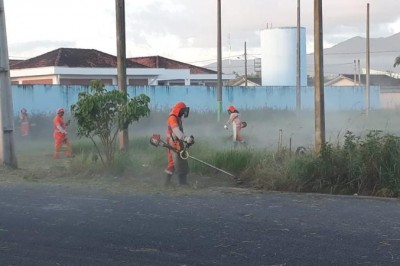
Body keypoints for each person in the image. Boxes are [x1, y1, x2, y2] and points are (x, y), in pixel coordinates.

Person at [164, 102, 194, 186]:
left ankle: (182, 182)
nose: (184, 113)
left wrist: (185, 140)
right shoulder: (172, 118)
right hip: (172, 141)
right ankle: (168, 182)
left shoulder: (178, 118)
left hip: (177, 141)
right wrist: (185, 138)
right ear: (179, 110)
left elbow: (180, 132)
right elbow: (176, 131)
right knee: (174, 162)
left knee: (181, 161)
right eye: (183, 111)